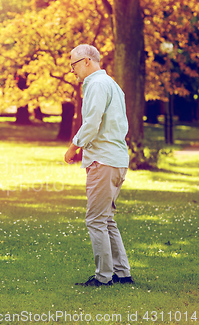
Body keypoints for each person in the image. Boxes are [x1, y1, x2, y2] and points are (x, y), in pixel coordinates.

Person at [64, 44, 134, 287]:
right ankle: (122, 273)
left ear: (86, 61)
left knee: (95, 220)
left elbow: (92, 122)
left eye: (73, 64)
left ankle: (104, 277)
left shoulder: (96, 85)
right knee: (106, 219)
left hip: (103, 160)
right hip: (116, 159)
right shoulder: (113, 84)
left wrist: (74, 146)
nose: (71, 70)